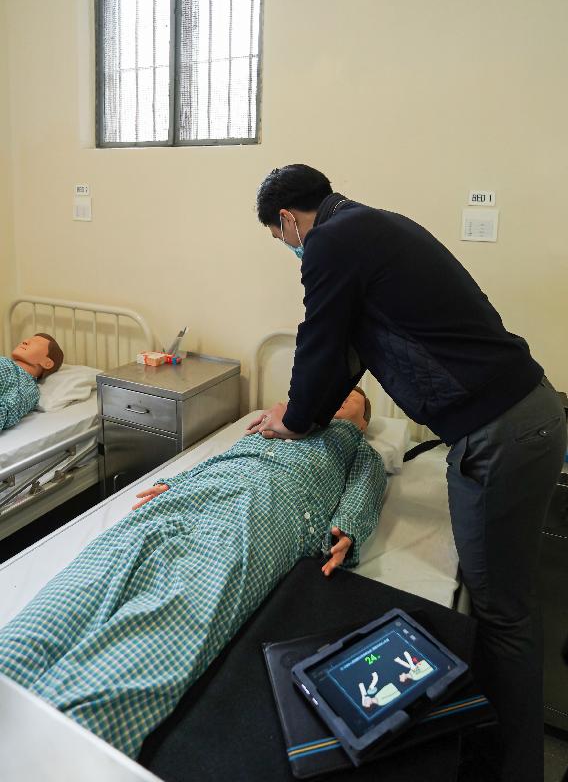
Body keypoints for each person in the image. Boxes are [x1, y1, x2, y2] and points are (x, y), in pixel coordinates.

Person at [250, 164, 566, 782]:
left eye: (279, 236)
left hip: (501, 432)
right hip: (528, 413)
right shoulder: (372, 228)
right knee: (511, 608)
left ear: (288, 218)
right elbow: (347, 354)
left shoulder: (331, 242)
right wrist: (306, 413)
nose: (287, 248)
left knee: (503, 615)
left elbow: (318, 342)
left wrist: (295, 420)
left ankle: (511, 769)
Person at [0, 387, 386, 759]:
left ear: (364, 421)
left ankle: (62, 751)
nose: (338, 397)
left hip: (269, 504)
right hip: (202, 489)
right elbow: (225, 456)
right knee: (93, 575)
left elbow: (364, 492)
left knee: (176, 608)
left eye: (351, 397)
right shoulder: (280, 422)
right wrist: (177, 481)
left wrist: (346, 530)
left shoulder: (359, 450)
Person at [0, 333, 64, 431]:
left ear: (47, 363)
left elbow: (7, 412)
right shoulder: (5, 361)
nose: (25, 341)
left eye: (36, 342)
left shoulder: (28, 387)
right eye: (27, 339)